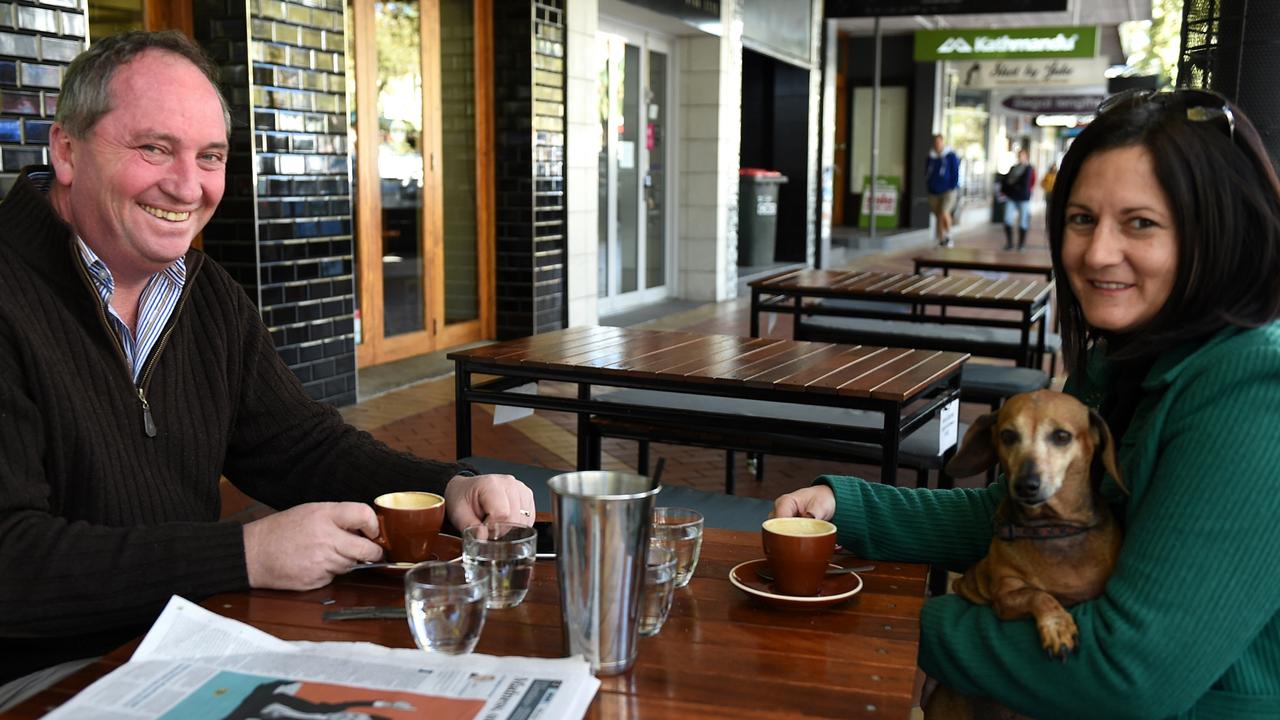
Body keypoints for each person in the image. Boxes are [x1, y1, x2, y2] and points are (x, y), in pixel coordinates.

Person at [0, 31, 535, 705]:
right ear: (66, 150)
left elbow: (298, 448)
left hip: (191, 641)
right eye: (154, 148)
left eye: (210, 157)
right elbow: (10, 562)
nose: (187, 186)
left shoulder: (205, 291)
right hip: (46, 676)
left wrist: (446, 493)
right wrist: (244, 554)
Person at [773, 88, 1280, 716]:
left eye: (1140, 223)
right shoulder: (1126, 359)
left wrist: (893, 626)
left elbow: (1128, 673)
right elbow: (1012, 513)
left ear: (1217, 232)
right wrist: (846, 506)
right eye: (1081, 218)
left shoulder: (1253, 392)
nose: (1096, 253)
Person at [926, 133, 961, 247]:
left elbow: (955, 172)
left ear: (942, 142)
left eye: (939, 142)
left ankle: (949, 235)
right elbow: (927, 172)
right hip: (934, 191)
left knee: (944, 212)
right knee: (939, 216)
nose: (937, 145)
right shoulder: (930, 157)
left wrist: (952, 185)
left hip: (948, 190)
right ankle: (941, 239)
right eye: (935, 142)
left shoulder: (950, 156)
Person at [999, 147, 1035, 250]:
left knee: (1023, 221)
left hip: (1023, 198)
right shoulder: (1013, 168)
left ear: (1026, 156)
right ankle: (1009, 243)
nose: (1020, 157)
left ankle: (1021, 244)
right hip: (1012, 197)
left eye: (1022, 155)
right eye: (1019, 155)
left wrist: (1012, 185)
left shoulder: (1029, 168)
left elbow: (1026, 183)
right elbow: (1006, 180)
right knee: (1007, 220)